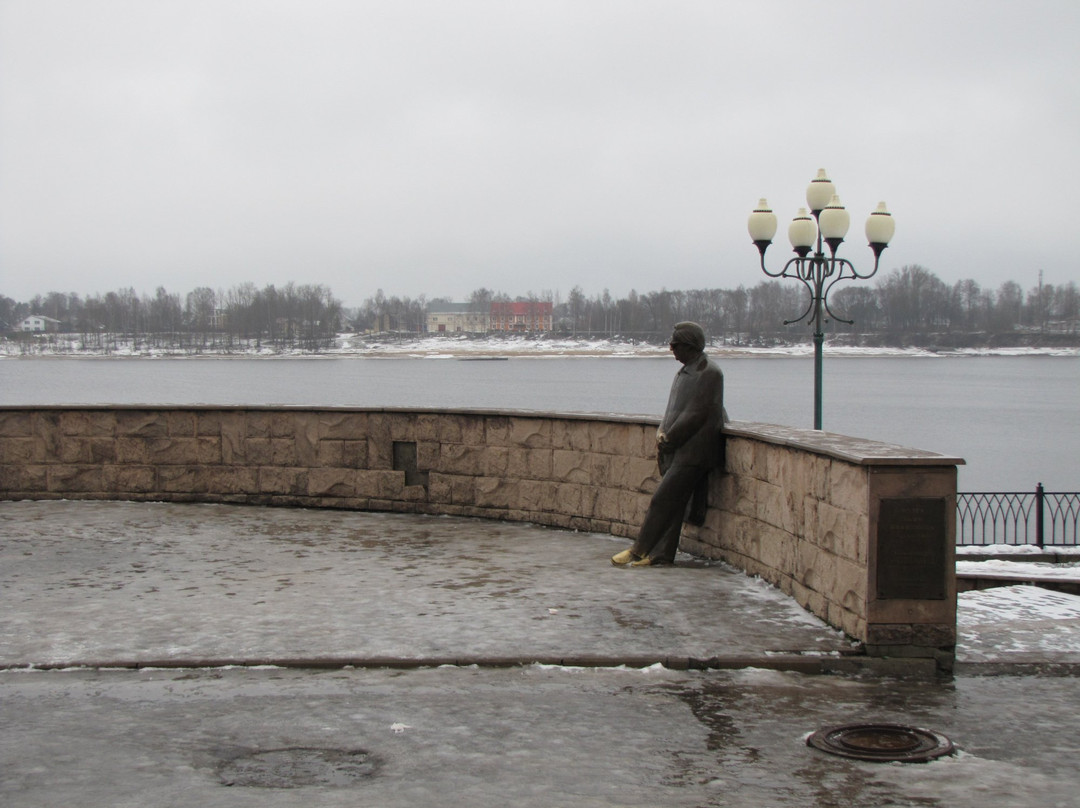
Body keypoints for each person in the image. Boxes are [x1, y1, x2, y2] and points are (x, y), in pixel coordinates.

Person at [611, 321, 725, 567]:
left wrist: (670, 437)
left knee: (662, 500)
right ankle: (661, 554)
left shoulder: (709, 373)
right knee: (674, 503)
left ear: (689, 345)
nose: (671, 348)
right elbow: (673, 410)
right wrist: (663, 433)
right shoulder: (684, 372)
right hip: (678, 448)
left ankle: (639, 550)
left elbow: (696, 413)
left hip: (695, 452)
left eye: (675, 344)